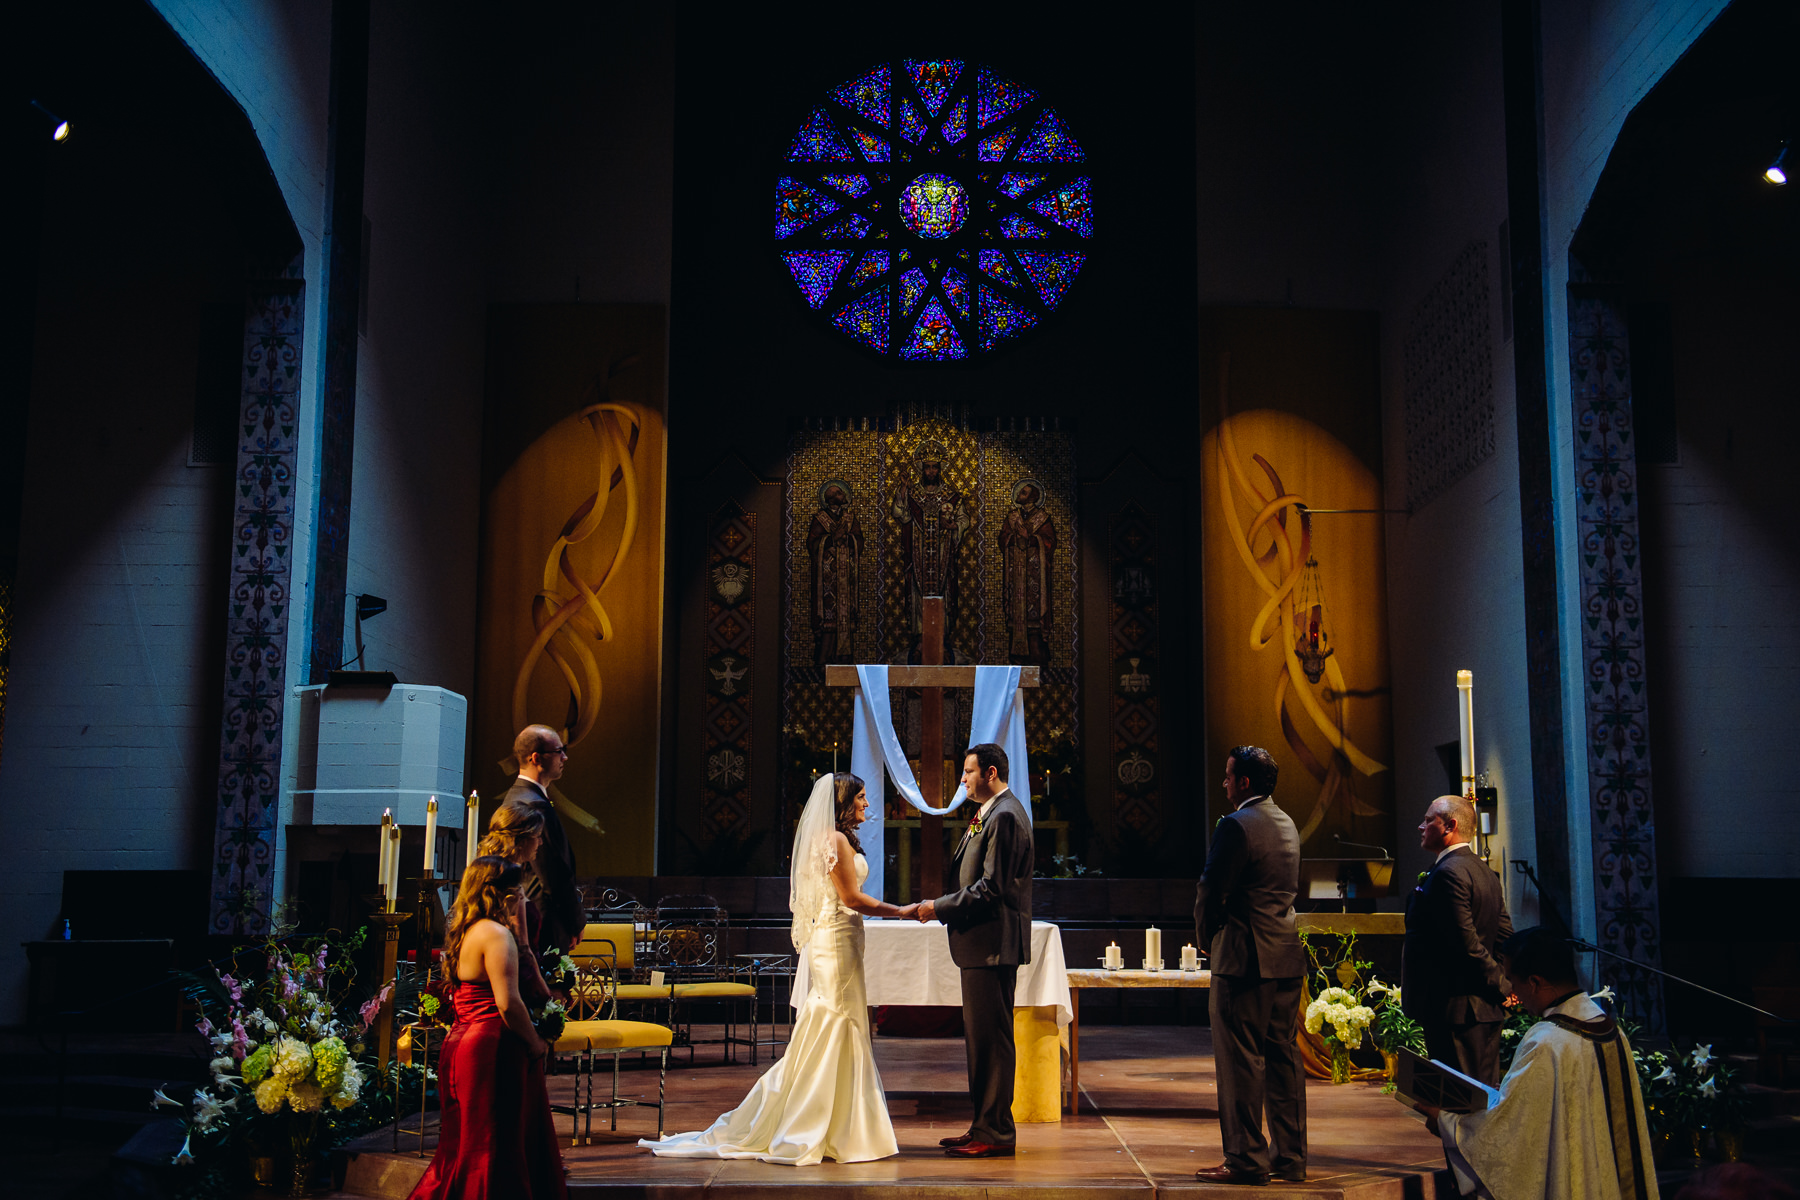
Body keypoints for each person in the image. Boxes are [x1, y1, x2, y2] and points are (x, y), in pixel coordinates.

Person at [640, 772, 915, 1165]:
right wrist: (901, 911)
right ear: (843, 802)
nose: (867, 805)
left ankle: (838, 1123)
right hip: (836, 942)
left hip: (838, 940)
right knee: (838, 1021)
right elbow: (851, 898)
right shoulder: (834, 840)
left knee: (838, 1021)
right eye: (861, 798)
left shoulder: (834, 839)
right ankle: (826, 1123)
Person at [1417, 925, 1659, 1200]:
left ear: (1534, 982)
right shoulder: (1609, 1029)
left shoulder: (1547, 1042)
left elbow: (1510, 1139)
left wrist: (1446, 1122)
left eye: (1513, 981)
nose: (1513, 992)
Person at [408, 856, 564, 1200]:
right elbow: (507, 1002)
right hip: (491, 1049)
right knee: (493, 1146)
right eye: (519, 890)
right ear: (506, 895)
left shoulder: (465, 931)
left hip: (460, 1043)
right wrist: (536, 1042)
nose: (523, 897)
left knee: (462, 1145)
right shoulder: (496, 935)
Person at [1193, 745, 1306, 1186]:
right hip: (1284, 956)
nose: (1223, 783)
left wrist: (1206, 940)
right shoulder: (1286, 822)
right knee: (1282, 1059)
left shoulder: (1236, 825)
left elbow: (1211, 889)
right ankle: (1290, 1157)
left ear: (1243, 782)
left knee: (1241, 1063)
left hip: (1244, 960)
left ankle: (1245, 1159)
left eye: (1227, 776)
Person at [917, 743, 1034, 1160]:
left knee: (993, 1042)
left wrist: (939, 907)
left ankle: (997, 1132)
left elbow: (991, 889)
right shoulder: (991, 814)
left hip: (992, 945)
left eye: (967, 772)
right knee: (981, 1041)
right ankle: (983, 1125)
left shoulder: (1004, 816)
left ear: (990, 772)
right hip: (982, 946)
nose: (962, 780)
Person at [1403, 793, 1514, 1084]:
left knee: (1461, 1105)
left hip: (1456, 1012)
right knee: (1481, 1098)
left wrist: (1503, 986)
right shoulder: (1484, 872)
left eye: (1428, 820)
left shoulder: (1448, 873)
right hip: (1484, 1009)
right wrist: (1506, 984)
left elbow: (1466, 945)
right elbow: (1505, 937)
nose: (1420, 826)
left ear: (1449, 826)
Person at [500, 724, 585, 955]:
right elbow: (553, 872)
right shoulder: (534, 803)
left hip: (532, 912)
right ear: (537, 758)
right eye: (559, 751)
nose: (564, 758)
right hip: (544, 918)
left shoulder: (519, 795)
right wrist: (575, 922)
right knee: (551, 988)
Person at [479, 804, 553, 1005]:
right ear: (520, 840)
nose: (540, 842)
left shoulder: (488, 872)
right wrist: (543, 988)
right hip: (515, 976)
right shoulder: (510, 882)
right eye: (537, 836)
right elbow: (522, 944)